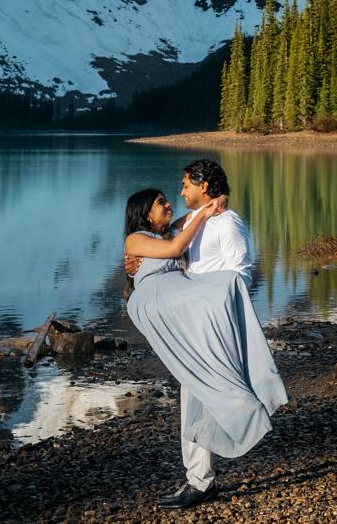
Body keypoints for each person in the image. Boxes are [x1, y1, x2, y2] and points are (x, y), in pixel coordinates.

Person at [122, 162, 285, 510]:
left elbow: (240, 274)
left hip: (211, 316)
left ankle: (215, 461)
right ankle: (199, 479)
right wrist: (207, 208)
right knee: (193, 395)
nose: (179, 195)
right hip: (190, 319)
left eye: (183, 186)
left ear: (203, 185)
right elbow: (176, 241)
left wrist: (215, 207)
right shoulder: (189, 225)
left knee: (206, 392)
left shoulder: (227, 222)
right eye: (168, 196)